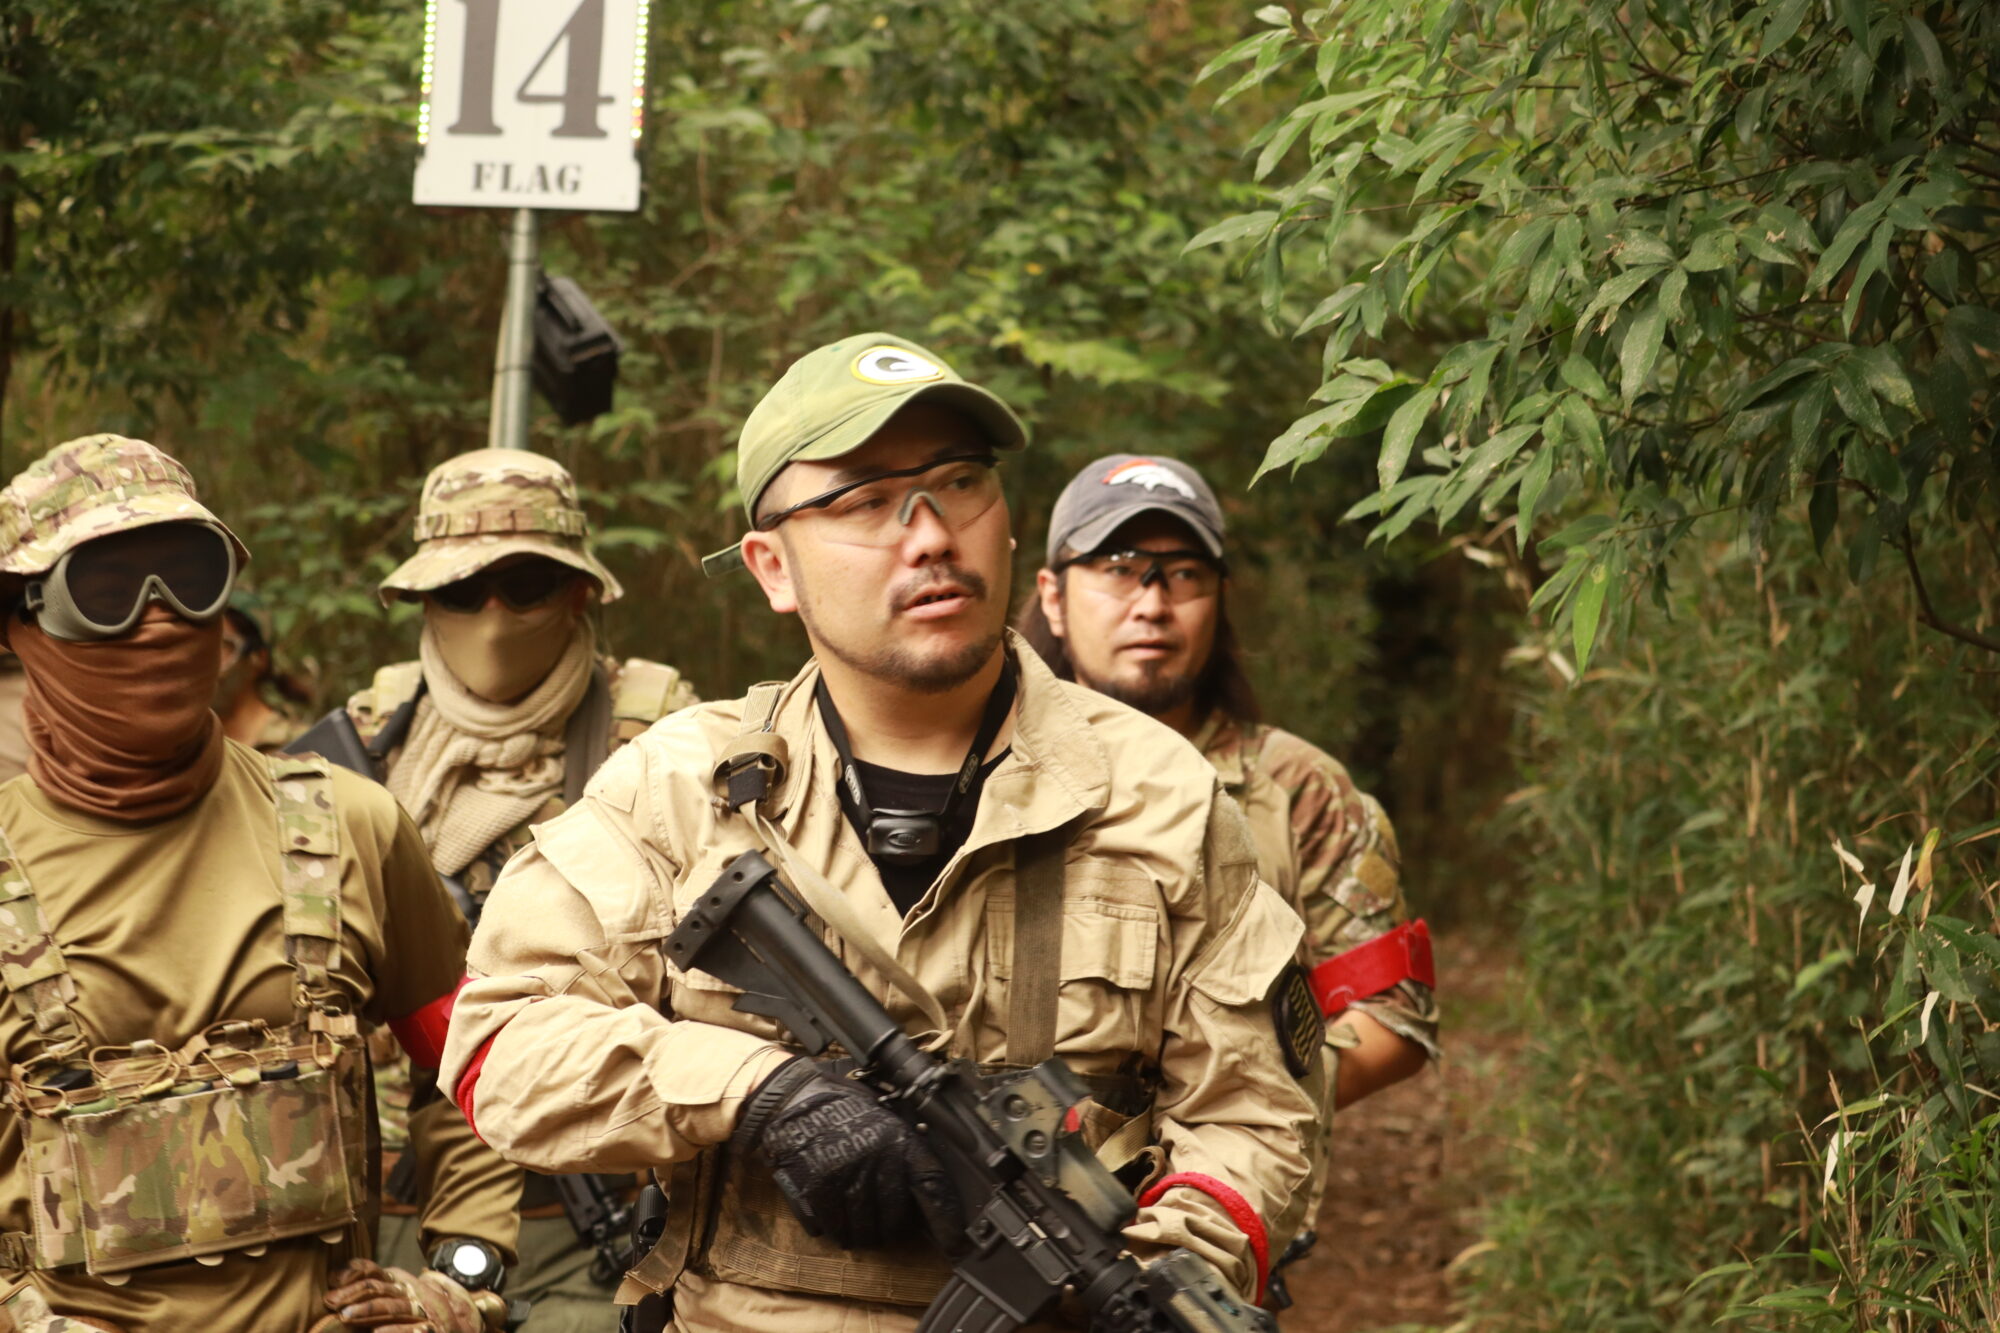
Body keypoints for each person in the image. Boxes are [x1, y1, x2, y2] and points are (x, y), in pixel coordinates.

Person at [440, 333, 1319, 1333]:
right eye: (865, 501)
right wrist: (753, 1090)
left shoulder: (1159, 794)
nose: (931, 534)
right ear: (773, 568)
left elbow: (1256, 1107)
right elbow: (500, 1045)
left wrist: (1178, 1267)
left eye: (959, 482)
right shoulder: (677, 788)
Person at [0, 435, 520, 1333]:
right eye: (106, 590)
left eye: (190, 579)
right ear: (24, 624)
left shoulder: (350, 825)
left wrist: (454, 1278)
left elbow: (477, 1067)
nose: (159, 619)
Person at [1016, 455, 1440, 1290]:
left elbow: (1392, 1017)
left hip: (1206, 1236)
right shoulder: (984, 772)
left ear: (1219, 597)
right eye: (1117, 567)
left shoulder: (1300, 791)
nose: (1152, 602)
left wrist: (1223, 1098)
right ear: (1053, 596)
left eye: (1183, 573)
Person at [343, 448, 698, 1332]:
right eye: (463, 590)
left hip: (602, 1198)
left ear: (579, 592)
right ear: (425, 599)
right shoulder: (355, 752)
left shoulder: (664, 746)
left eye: (525, 583)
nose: (493, 616)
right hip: (396, 1201)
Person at [214, 587, 312, 753]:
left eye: (221, 647)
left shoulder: (303, 746)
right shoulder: (186, 749)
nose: (204, 662)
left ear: (258, 658)